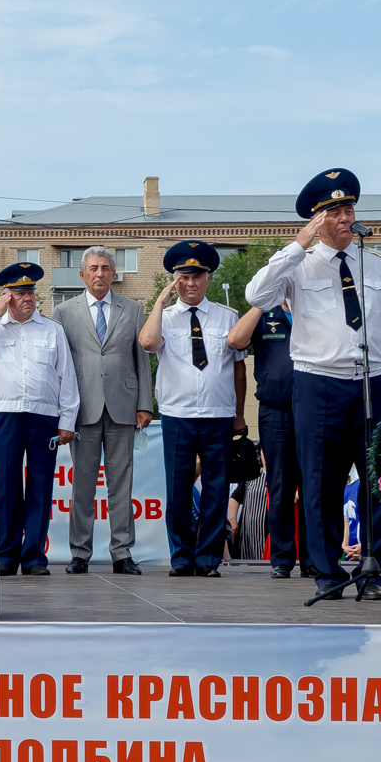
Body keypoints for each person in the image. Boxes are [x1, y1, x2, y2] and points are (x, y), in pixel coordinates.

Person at [246, 168, 381, 600]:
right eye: (335, 210)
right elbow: (257, 296)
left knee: (380, 479)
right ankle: (327, 572)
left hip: (372, 384)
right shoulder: (296, 265)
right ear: (317, 220)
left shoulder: (374, 264)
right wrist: (298, 245)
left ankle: (373, 571)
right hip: (319, 384)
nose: (345, 217)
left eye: (349, 208)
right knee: (320, 481)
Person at [0, 262, 78, 575]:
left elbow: (66, 377)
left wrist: (67, 419)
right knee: (6, 485)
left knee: (40, 486)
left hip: (44, 418)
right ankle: (5, 555)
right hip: (6, 415)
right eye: (19, 293)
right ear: (6, 297)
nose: (27, 298)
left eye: (30, 292)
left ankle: (34, 556)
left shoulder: (52, 329)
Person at [140, 241, 246, 577]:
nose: (190, 282)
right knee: (179, 488)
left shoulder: (228, 316)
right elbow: (147, 344)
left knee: (216, 488)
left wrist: (240, 413)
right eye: (183, 276)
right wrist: (159, 302)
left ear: (208, 279)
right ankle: (182, 556)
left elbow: (239, 368)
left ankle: (209, 559)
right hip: (177, 414)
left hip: (219, 415)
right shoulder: (164, 318)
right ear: (174, 279)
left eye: (197, 276)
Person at [52, 246, 152, 575]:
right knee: (82, 484)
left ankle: (122, 553)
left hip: (124, 408)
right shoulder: (64, 312)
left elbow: (142, 360)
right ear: (82, 275)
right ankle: (79, 552)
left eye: (106, 268)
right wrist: (63, 412)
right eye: (93, 268)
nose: (99, 273)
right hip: (82, 410)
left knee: (120, 484)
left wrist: (144, 405)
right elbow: (60, 367)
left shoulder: (133, 308)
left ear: (113, 273)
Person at [229, 302, 305, 577]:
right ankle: (282, 560)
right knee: (281, 485)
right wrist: (261, 301)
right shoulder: (264, 312)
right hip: (276, 409)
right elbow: (236, 340)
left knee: (314, 485)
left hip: (316, 408)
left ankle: (313, 559)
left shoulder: (313, 303)